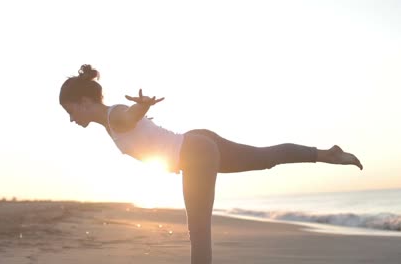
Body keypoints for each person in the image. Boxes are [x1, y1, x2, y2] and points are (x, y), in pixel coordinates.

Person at [59, 64, 363, 264]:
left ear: (84, 101)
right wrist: (139, 111)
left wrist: (140, 108)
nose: (71, 118)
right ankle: (326, 154)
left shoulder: (115, 115)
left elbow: (129, 118)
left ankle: (325, 154)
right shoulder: (112, 119)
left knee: (199, 229)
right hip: (197, 143)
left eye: (70, 109)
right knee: (265, 158)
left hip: (194, 153)